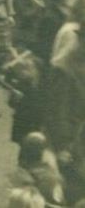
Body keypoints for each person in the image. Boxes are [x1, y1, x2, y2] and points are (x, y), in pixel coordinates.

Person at [44, 20, 85, 203]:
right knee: (73, 194)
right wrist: (62, 147)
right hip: (71, 146)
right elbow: (56, 112)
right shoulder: (64, 68)